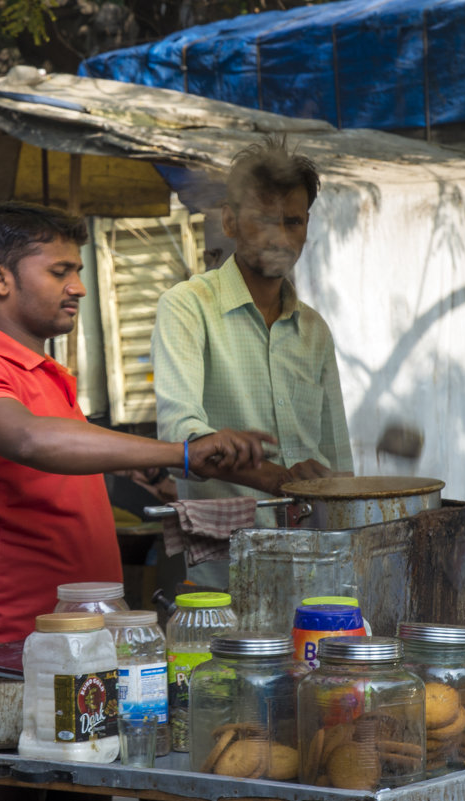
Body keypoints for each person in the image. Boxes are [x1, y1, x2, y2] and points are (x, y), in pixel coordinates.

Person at [0, 200, 275, 656]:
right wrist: (180, 453)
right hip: (10, 643)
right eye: (60, 272)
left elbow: (74, 460)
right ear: (0, 279)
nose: (79, 287)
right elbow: (28, 438)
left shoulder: (45, 373)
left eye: (77, 271)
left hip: (79, 641)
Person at [151, 136, 354, 589]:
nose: (280, 236)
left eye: (292, 221)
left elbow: (338, 462)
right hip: (223, 571)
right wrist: (283, 481)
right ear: (230, 220)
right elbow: (180, 433)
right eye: (264, 219)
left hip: (316, 566)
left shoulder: (315, 330)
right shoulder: (188, 307)